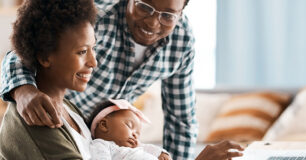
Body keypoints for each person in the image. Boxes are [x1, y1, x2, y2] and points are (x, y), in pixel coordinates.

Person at [0, 0, 244, 159]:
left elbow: (181, 121)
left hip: (86, 130)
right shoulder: (98, 16)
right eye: (145, 7)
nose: (152, 21)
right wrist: (24, 92)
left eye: (168, 15)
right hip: (57, 122)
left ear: (181, 13)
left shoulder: (182, 41)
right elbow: (25, 50)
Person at [0, 0, 97, 159]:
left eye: (93, 48)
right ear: (45, 57)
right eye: (82, 52)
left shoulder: (68, 108)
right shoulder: (37, 118)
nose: (94, 62)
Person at [88, 98, 172, 160]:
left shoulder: (137, 147)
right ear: (104, 125)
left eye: (138, 134)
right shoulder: (101, 145)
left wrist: (161, 153)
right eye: (129, 125)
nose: (135, 135)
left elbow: (149, 148)